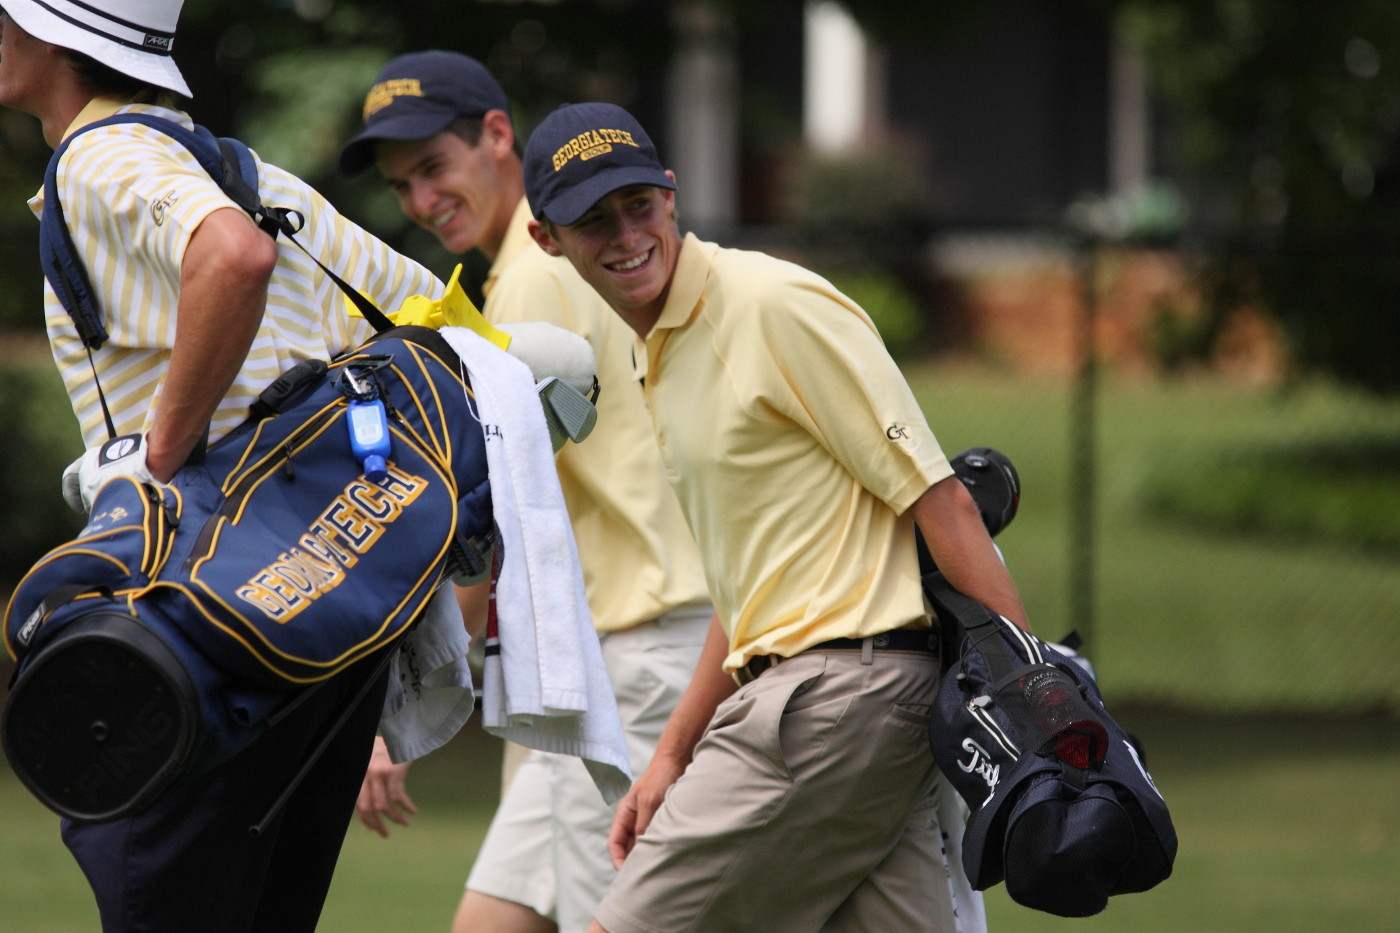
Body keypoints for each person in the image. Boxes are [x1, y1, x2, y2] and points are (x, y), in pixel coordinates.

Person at [523, 101, 1032, 933]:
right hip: (847, 709)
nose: (625, 235)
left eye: (637, 205)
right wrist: (672, 751)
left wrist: (1035, 692)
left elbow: (939, 498)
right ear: (549, 239)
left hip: (833, 702)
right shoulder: (657, 350)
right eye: (592, 220)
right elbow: (749, 587)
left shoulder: (769, 303)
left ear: (672, 195)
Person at [0, 3, 448, 930]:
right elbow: (440, 327)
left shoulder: (98, 156)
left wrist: (156, 458)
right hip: (320, 616)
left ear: (59, 42)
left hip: (202, 615)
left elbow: (230, 255)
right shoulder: (251, 170)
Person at [338, 52, 712, 933]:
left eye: (435, 167)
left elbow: (498, 515)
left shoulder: (538, 275)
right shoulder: (510, 279)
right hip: (589, 659)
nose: (423, 201)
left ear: (497, 137)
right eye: (403, 184)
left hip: (634, 654)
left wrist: (397, 712)